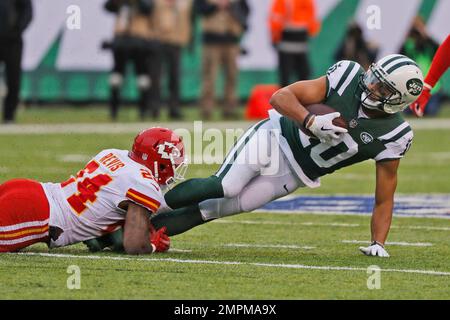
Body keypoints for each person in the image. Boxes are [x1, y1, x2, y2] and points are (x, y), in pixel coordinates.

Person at [144, 54, 423, 258]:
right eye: (375, 78)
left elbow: (384, 197)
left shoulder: (395, 135)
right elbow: (281, 96)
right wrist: (309, 121)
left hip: (295, 173)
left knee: (214, 209)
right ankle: (143, 205)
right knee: (226, 186)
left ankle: (132, 234)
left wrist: (378, 242)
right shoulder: (348, 76)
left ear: (398, 99)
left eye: (382, 87)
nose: (371, 86)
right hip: (275, 136)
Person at [0, 127, 188, 254]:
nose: (175, 167)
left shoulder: (113, 154)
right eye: (173, 162)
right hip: (38, 213)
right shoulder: (144, 184)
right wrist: (153, 245)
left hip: (31, 189)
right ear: (159, 163)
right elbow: (134, 243)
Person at [104, 0, 158, 121]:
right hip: (121, 41)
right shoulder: (121, 5)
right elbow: (107, 7)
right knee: (116, 76)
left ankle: (143, 109)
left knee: (142, 76)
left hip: (139, 40)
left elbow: (148, 8)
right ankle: (114, 109)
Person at [198, 0, 250, 120]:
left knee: (232, 76)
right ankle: (206, 109)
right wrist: (216, 6)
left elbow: (245, 10)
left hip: (231, 39)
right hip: (211, 40)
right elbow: (200, 9)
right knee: (209, 77)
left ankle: (230, 109)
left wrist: (231, 7)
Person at [149, 0, 195, 120]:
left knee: (174, 77)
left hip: (176, 41)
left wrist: (189, 39)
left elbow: (191, 19)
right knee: (156, 76)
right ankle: (154, 107)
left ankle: (174, 108)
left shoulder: (186, 3)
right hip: (158, 40)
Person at [269, 0, 321, 87]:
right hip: (297, 45)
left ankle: (287, 99)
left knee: (287, 79)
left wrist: (275, 38)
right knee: (303, 78)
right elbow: (313, 25)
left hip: (287, 45)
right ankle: (302, 99)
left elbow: (275, 21)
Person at [401, 16, 441, 116]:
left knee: (430, 112)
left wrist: (425, 35)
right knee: (410, 112)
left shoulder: (428, 44)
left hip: (431, 88)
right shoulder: (407, 44)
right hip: (412, 87)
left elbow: (439, 51)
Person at [0, 0, 32, 124]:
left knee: (14, 79)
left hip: (13, 41)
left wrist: (17, 29)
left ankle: (9, 116)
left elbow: (28, 12)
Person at [410, 34, 450, 117]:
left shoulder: (429, 46)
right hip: (422, 87)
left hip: (435, 91)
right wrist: (426, 87)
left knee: (431, 110)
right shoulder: (410, 49)